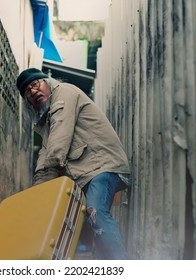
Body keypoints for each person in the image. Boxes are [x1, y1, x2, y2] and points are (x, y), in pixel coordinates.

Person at [16, 68, 131, 260]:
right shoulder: (45, 120)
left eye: (35, 84)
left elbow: (58, 144)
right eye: (27, 92)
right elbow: (45, 156)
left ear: (47, 82)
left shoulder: (64, 94)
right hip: (87, 174)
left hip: (103, 166)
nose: (33, 92)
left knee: (96, 212)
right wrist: (35, 196)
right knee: (94, 228)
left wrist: (41, 191)